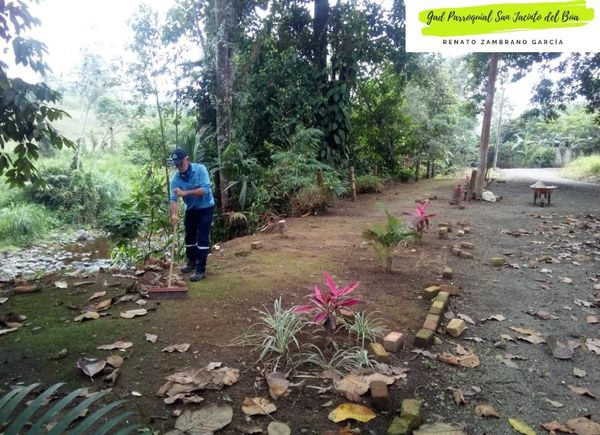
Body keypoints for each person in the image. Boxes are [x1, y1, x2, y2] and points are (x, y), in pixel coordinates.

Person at [169, 148, 215, 282]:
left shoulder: (200, 170)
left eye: (181, 163)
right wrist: (174, 215)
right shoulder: (175, 180)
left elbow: (205, 190)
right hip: (191, 208)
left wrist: (185, 193)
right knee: (189, 236)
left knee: (202, 237)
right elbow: (173, 200)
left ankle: (200, 269)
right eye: (176, 164)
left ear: (187, 159)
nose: (179, 166)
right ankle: (192, 262)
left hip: (206, 207)